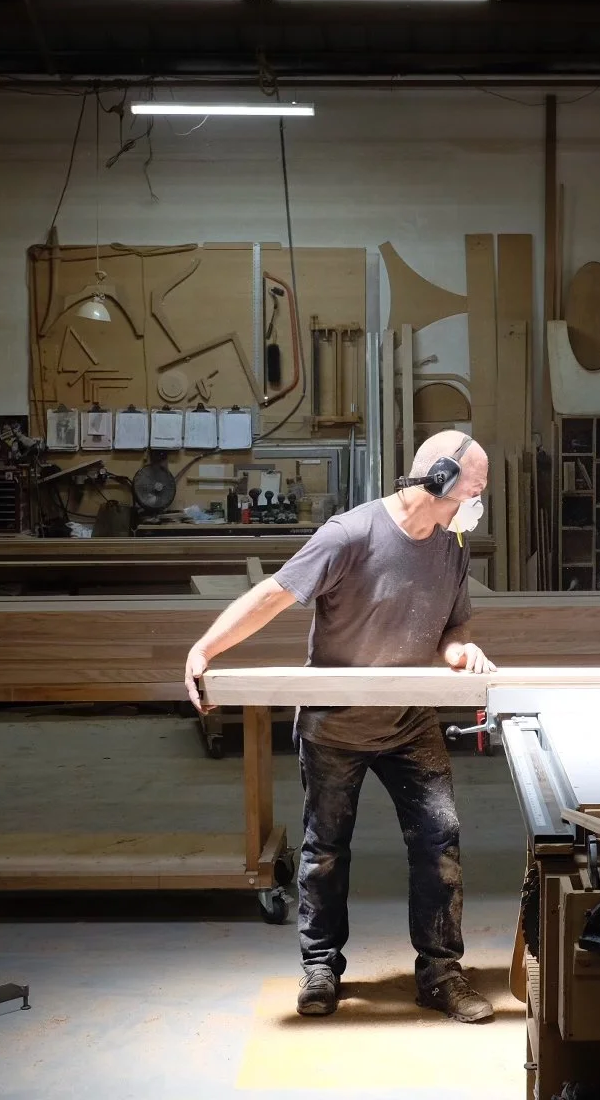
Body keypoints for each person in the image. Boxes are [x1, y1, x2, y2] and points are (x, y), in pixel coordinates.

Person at [182, 430, 497, 1023]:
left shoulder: (454, 546)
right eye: (475, 491)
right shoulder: (350, 535)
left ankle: (440, 972)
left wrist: (460, 653)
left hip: (410, 724)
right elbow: (275, 594)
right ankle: (321, 965)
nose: (479, 503)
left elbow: (452, 629)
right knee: (324, 851)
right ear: (440, 483)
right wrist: (205, 648)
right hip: (335, 725)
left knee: (440, 842)